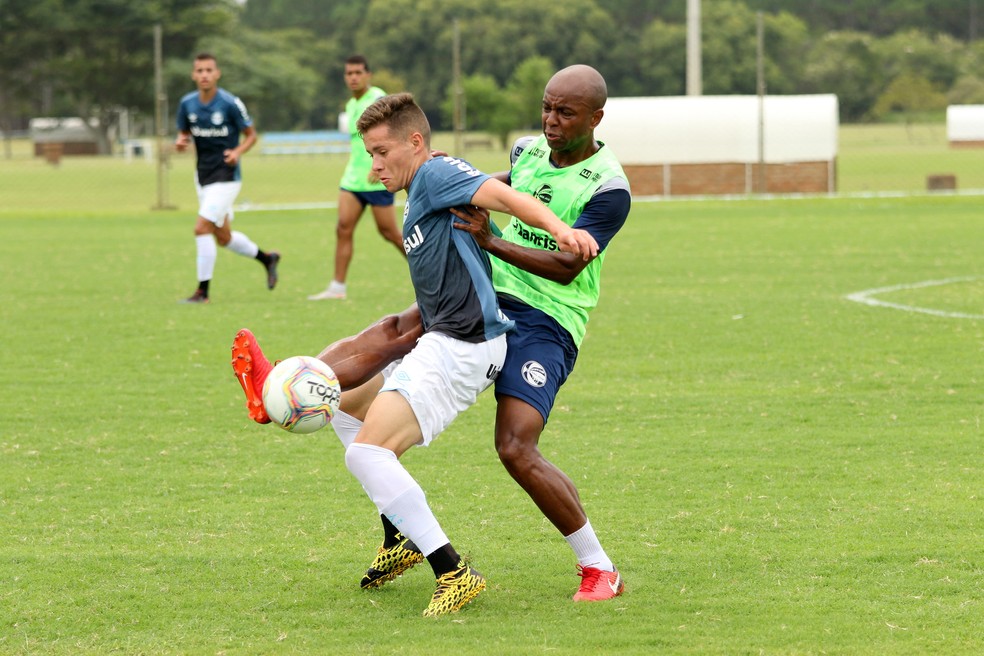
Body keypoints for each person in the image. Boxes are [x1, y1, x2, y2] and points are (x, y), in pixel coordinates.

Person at [234, 65, 629, 604]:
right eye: (546, 107)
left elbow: (565, 268)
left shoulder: (610, 187)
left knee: (515, 446)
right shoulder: (526, 151)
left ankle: (597, 566)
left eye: (565, 113)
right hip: (487, 295)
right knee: (363, 379)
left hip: (548, 318)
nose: (550, 121)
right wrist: (462, 199)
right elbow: (492, 189)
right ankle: (395, 528)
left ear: (595, 118)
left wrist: (494, 242)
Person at [174, 52, 279, 304]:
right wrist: (180, 142)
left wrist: (237, 152)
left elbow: (251, 135)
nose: (204, 75)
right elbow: (184, 133)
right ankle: (267, 258)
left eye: (209, 70)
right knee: (224, 238)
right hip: (203, 176)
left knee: (201, 228)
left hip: (227, 177)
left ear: (217, 73)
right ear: (193, 75)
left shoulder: (230, 103)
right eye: (199, 71)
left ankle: (202, 292)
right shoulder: (187, 103)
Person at [308, 55, 405, 301]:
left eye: (358, 73)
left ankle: (435, 274)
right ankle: (337, 288)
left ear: (368, 75)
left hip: (377, 177)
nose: (353, 77)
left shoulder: (378, 99)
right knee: (343, 228)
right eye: (349, 73)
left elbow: (394, 136)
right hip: (352, 180)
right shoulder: (352, 105)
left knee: (390, 233)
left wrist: (379, 166)